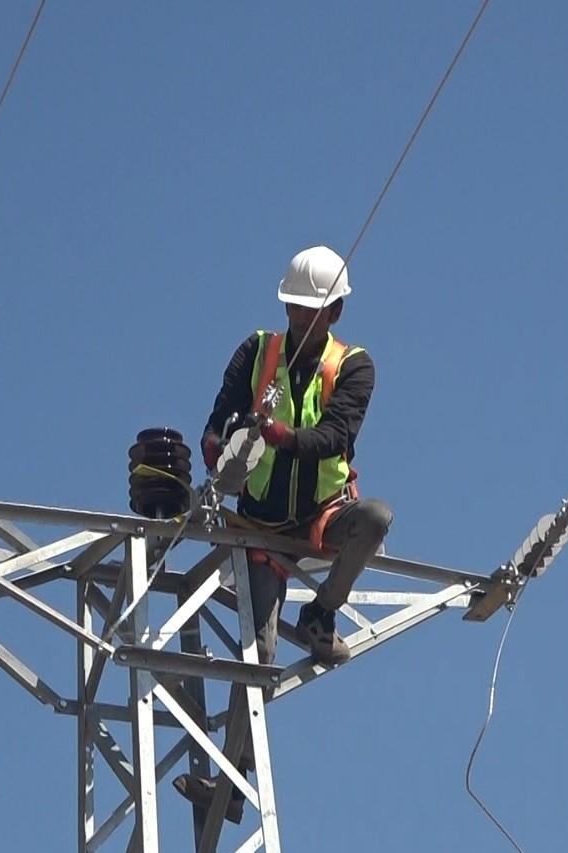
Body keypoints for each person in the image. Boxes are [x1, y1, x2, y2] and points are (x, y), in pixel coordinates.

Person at [172, 244, 392, 822]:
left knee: (376, 520)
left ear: (334, 314)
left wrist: (278, 435)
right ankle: (232, 784)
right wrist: (219, 446)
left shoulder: (354, 367)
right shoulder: (257, 351)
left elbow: (337, 436)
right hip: (258, 524)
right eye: (293, 307)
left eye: (309, 309)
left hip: (321, 516)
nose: (298, 318)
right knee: (258, 655)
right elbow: (219, 413)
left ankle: (322, 612)